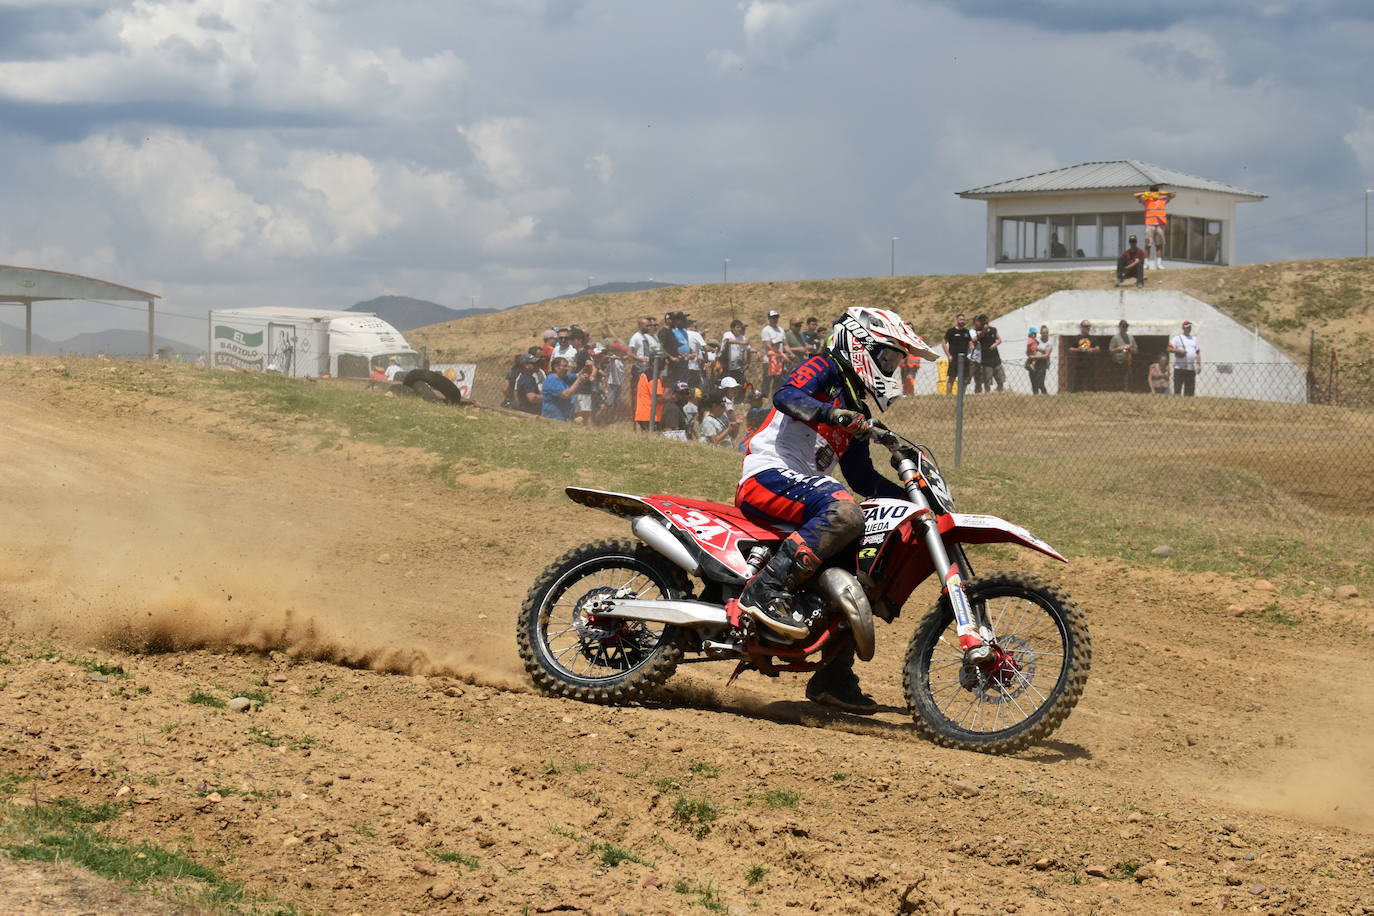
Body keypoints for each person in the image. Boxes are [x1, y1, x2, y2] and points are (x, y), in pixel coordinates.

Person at [736, 307, 982, 715]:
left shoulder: (859, 412)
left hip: (804, 492)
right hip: (768, 475)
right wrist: (832, 413)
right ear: (860, 344)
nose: (891, 367)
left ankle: (833, 675)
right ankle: (766, 590)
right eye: (888, 358)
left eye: (896, 361)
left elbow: (863, 478)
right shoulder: (825, 369)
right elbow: (786, 396)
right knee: (847, 514)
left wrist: (912, 496)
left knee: (866, 564)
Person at [1133, 185, 1175, 270]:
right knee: (1148, 244)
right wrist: (1148, 194)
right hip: (1150, 224)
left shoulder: (1162, 200)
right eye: (1153, 192)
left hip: (1160, 224)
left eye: (1155, 192)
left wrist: (1160, 193)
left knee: (1159, 245)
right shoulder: (1146, 200)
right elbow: (1135, 195)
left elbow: (1173, 195)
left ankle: (1159, 264)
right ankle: (1146, 264)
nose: (1154, 194)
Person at [541, 356, 589, 421]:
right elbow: (565, 395)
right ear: (556, 367)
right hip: (553, 419)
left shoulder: (564, 377)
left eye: (567, 366)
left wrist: (587, 367)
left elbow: (578, 375)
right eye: (564, 366)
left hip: (564, 418)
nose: (567, 369)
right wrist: (579, 381)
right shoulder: (551, 381)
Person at [941, 313, 973, 395]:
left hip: (965, 358)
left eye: (963, 320)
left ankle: (961, 394)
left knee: (965, 378)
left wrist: (971, 346)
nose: (962, 321)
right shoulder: (951, 331)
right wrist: (948, 355)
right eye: (960, 319)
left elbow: (970, 342)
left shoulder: (967, 331)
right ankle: (948, 395)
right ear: (957, 320)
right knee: (952, 377)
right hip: (954, 358)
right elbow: (944, 342)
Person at [971, 314, 1004, 392]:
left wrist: (995, 344)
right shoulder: (978, 331)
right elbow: (975, 339)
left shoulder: (993, 329)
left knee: (1000, 379)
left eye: (986, 320)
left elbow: (999, 339)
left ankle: (1000, 391)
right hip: (986, 360)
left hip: (996, 359)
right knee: (987, 380)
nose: (985, 322)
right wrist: (984, 331)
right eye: (983, 320)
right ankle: (987, 393)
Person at [1168, 320, 1201, 396]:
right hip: (1179, 367)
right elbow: (1169, 349)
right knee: (1178, 388)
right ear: (1183, 328)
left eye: (1189, 327)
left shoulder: (1194, 339)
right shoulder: (1177, 338)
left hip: (1191, 368)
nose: (1188, 329)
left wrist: (1198, 365)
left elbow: (1197, 352)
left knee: (1190, 389)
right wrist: (1178, 351)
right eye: (1186, 327)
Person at [1068, 320, 1100, 392]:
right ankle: (1076, 393)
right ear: (1081, 327)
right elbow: (1070, 349)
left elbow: (1098, 349)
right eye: (1086, 326)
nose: (1088, 328)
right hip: (1079, 361)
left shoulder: (1092, 338)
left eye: (1089, 326)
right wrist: (1077, 350)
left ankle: (1092, 392)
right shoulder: (1076, 338)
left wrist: (1092, 350)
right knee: (1078, 379)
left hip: (1090, 361)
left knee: (1091, 379)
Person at [1108, 319, 1138, 391]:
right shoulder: (1115, 338)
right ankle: (1117, 391)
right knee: (1117, 378)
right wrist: (1119, 348)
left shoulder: (1131, 338)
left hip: (1128, 362)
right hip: (1117, 361)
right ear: (1120, 327)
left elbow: (1136, 350)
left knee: (1128, 377)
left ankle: (1127, 390)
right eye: (1123, 327)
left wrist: (1130, 349)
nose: (1125, 328)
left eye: (1126, 327)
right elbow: (1110, 351)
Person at [1027, 325, 1053, 395]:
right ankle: (1035, 396)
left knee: (1040, 382)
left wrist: (1034, 357)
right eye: (1043, 332)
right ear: (1040, 333)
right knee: (1033, 381)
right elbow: (1029, 349)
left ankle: (1045, 395)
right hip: (1032, 363)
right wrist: (1029, 354)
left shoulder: (1049, 343)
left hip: (1042, 364)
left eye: (1046, 332)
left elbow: (1046, 355)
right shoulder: (1036, 340)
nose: (1045, 334)